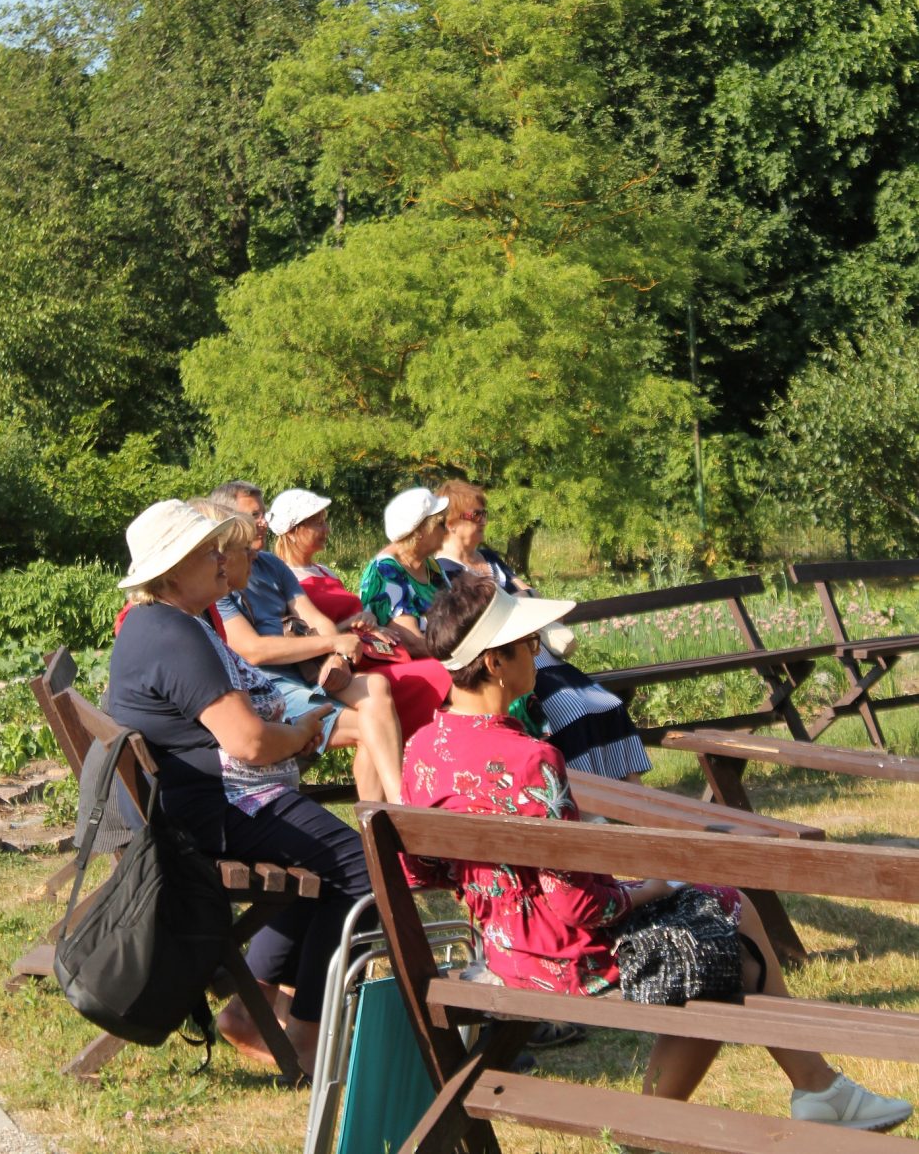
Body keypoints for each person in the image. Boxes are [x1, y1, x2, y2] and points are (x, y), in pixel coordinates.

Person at [402, 573, 913, 1132]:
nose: (537, 651)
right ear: (494, 662)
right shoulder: (531, 760)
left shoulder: (425, 748)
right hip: (566, 962)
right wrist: (650, 886)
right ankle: (673, 1123)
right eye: (528, 643)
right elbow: (583, 910)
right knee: (724, 930)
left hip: (502, 950)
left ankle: (818, 1090)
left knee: (722, 920)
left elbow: (421, 869)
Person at [107, 499, 372, 1077]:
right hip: (213, 809)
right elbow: (249, 743)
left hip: (197, 802)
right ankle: (304, 1036)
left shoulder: (172, 622)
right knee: (360, 869)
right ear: (172, 570)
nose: (225, 561)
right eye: (209, 552)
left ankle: (252, 1015)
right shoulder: (172, 634)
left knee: (327, 866)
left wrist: (291, 731)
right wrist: (300, 730)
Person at [436, 479, 650, 782]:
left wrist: (516, 600)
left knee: (608, 704)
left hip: (538, 650)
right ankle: (591, 804)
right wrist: (517, 600)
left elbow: (528, 595)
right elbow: (499, 609)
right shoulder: (446, 571)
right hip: (508, 661)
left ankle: (633, 797)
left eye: (485, 513)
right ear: (452, 521)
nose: (484, 520)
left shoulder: (490, 560)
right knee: (571, 710)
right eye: (476, 514)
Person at [207, 481, 403, 803]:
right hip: (269, 687)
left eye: (263, 513)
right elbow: (254, 650)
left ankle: (392, 813)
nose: (263, 522)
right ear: (227, 522)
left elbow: (314, 618)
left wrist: (336, 655)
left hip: (306, 674)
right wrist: (332, 645)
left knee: (377, 687)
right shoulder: (221, 579)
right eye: (253, 515)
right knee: (371, 727)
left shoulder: (272, 565)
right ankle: (394, 812)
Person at [267, 487, 452, 741]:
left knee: (441, 671)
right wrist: (349, 625)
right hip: (344, 665)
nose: (327, 530)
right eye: (318, 524)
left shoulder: (324, 572)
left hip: (375, 652)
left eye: (325, 522)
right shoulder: (286, 578)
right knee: (436, 673)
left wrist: (369, 619)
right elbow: (297, 632)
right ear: (293, 532)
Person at [358, 487, 451, 655]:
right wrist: (463, 656)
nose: (447, 530)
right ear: (421, 531)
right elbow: (411, 642)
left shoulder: (432, 567)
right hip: (412, 664)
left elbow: (456, 616)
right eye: (441, 524)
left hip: (441, 654)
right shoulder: (386, 570)